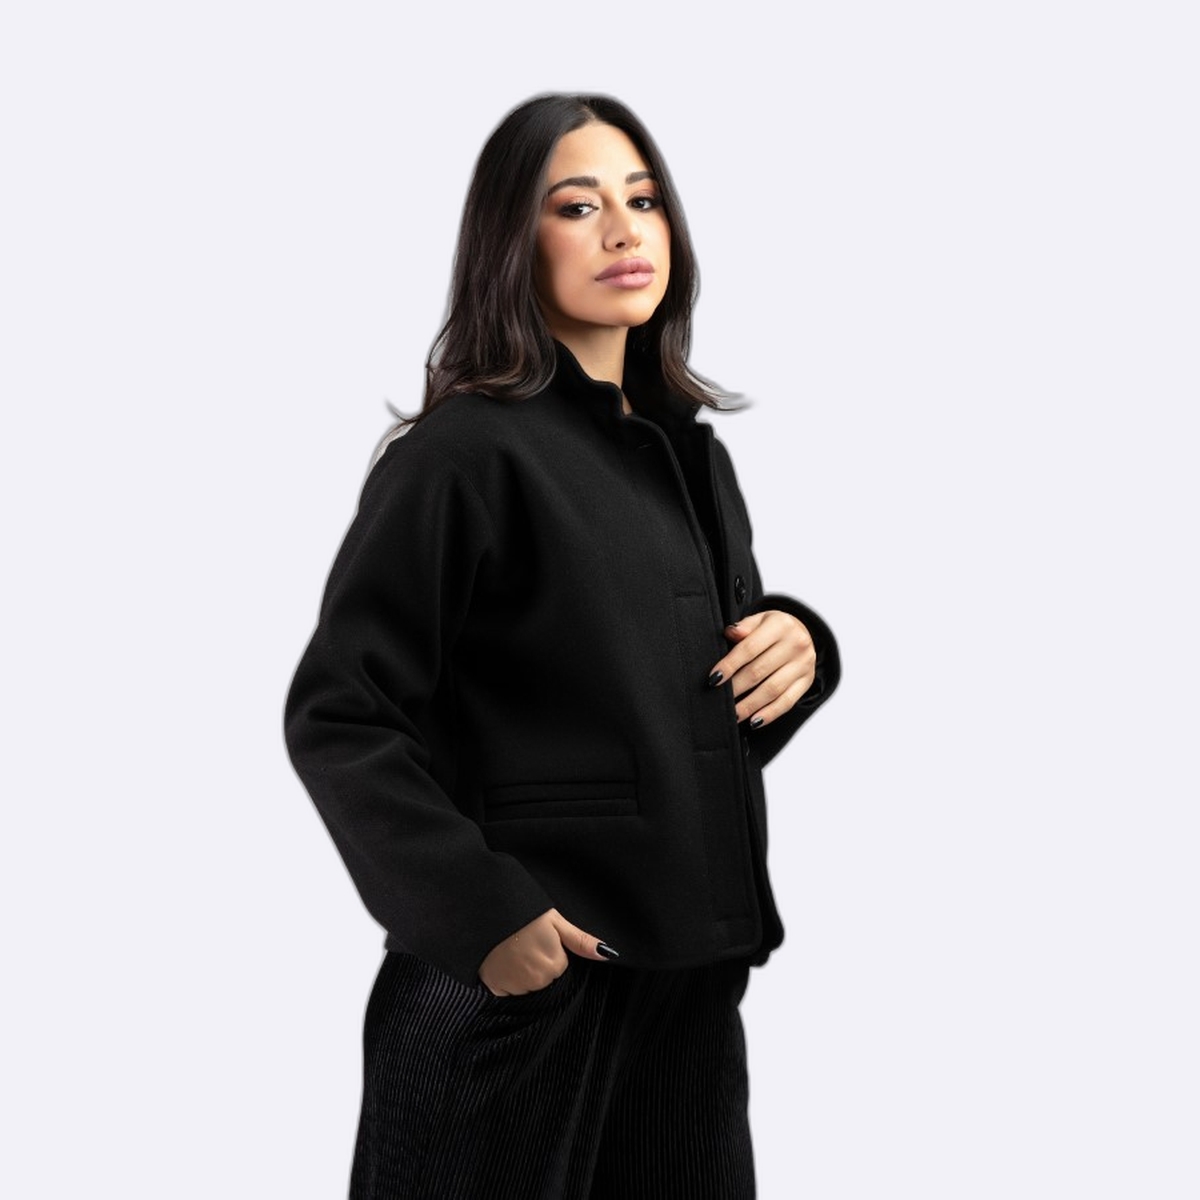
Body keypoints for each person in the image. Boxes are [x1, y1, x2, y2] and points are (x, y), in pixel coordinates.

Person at [284, 92, 841, 1200]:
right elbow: (342, 714)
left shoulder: (690, 457)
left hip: (686, 994)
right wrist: (485, 921)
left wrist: (800, 646)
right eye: (577, 206)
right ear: (512, 240)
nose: (624, 230)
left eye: (645, 200)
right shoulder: (462, 455)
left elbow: (655, 729)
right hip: (517, 991)